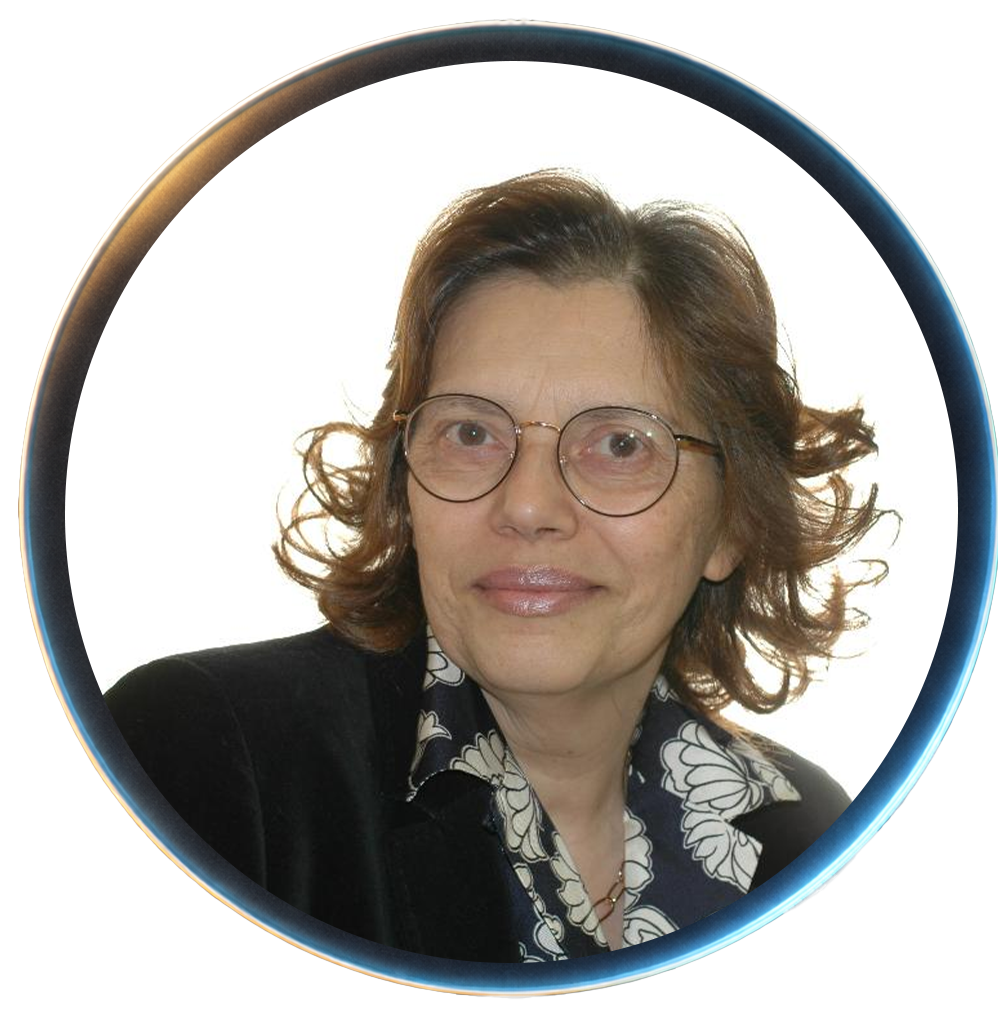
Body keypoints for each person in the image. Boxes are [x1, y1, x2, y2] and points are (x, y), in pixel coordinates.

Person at [107, 169, 884, 962]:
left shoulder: (808, 835)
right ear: (406, 487)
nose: (527, 506)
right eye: (472, 434)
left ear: (732, 521)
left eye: (620, 444)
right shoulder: (197, 754)